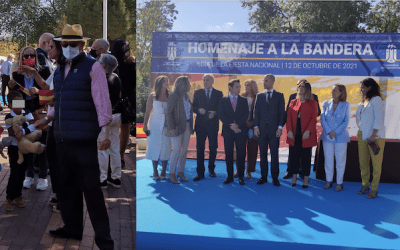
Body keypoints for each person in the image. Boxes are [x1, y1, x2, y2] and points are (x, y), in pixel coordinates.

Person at [34, 24, 114, 249]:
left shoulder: (93, 67)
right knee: (67, 188)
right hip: (61, 139)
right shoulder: (59, 71)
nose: (67, 47)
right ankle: (72, 227)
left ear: (82, 45)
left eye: (72, 44)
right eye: (64, 44)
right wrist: (47, 120)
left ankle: (104, 240)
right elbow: (58, 101)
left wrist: (105, 133)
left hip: (84, 142)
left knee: (92, 192)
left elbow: (102, 102)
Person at [8, 47, 49, 191]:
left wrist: (38, 93)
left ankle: (43, 176)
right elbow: (15, 102)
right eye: (26, 56)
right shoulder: (16, 75)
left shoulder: (43, 71)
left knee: (42, 143)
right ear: (21, 58)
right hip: (25, 114)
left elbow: (49, 93)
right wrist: (11, 89)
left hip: (40, 112)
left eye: (32, 55)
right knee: (27, 144)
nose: (29, 57)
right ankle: (29, 175)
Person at [283, 80, 321, 179]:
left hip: (306, 131)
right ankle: (290, 171)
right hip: (295, 130)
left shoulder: (314, 98)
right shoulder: (292, 97)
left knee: (305, 154)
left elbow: (317, 113)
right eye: (298, 86)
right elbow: (288, 113)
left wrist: (305, 115)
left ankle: (303, 173)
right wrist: (287, 129)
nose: (299, 88)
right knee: (293, 153)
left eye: (302, 86)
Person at [4, 91, 35, 211]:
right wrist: (26, 128)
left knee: (22, 173)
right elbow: (14, 134)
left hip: (26, 148)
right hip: (14, 149)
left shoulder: (27, 112)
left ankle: (18, 196)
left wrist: (23, 130)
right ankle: (9, 198)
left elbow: (34, 126)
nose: (20, 105)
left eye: (21, 101)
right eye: (16, 102)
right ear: (10, 105)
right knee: (14, 173)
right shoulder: (8, 117)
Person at [356, 78, 385, 199]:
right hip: (362, 135)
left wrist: (373, 135)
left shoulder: (376, 99)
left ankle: (374, 189)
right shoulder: (364, 101)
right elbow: (359, 117)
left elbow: (379, 118)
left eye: (363, 87)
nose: (361, 89)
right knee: (363, 163)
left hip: (375, 137)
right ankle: (365, 185)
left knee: (376, 165)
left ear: (369, 87)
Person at [253, 74, 285, 186]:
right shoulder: (259, 96)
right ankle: (263, 176)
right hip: (261, 130)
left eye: (266, 81)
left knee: (274, 154)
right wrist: (255, 126)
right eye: (263, 80)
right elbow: (256, 113)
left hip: (274, 130)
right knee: (262, 154)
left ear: (272, 82)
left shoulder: (279, 96)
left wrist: (280, 127)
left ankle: (275, 177)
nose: (264, 82)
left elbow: (282, 113)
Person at [97, 53, 123, 188]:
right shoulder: (117, 78)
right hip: (116, 115)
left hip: (104, 115)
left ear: (103, 65)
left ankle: (102, 179)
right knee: (114, 147)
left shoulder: (99, 78)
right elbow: (119, 96)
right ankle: (116, 177)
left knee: (102, 148)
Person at [218, 79, 249, 185]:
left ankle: (241, 176)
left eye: (239, 87)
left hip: (241, 131)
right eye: (237, 87)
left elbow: (246, 114)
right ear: (230, 88)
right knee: (229, 154)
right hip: (228, 131)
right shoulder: (223, 100)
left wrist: (237, 125)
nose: (239, 89)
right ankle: (230, 176)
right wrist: (231, 125)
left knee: (241, 154)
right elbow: (221, 114)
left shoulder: (243, 100)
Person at [192, 74, 223, 181]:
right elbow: (193, 107)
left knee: (213, 148)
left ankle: (211, 169)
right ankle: (200, 172)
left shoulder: (219, 94)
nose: (205, 81)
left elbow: (222, 109)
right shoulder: (198, 92)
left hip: (213, 125)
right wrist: (198, 110)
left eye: (208, 80)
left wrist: (215, 113)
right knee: (200, 148)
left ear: (212, 81)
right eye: (204, 80)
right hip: (200, 125)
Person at [320, 84, 350, 191]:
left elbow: (346, 121)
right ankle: (329, 180)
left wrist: (335, 132)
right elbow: (322, 119)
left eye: (335, 90)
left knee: (340, 160)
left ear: (341, 92)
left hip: (341, 136)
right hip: (327, 136)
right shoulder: (325, 103)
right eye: (332, 90)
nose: (332, 92)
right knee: (328, 159)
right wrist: (329, 131)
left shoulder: (346, 105)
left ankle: (339, 182)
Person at [111, 39, 135, 169]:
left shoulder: (110, 63)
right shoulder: (131, 64)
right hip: (128, 100)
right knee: (125, 128)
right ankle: (121, 156)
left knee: (113, 129)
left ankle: (114, 156)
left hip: (114, 99)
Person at [165, 76, 193, 184]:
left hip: (187, 126)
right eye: (188, 84)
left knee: (184, 150)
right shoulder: (173, 96)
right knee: (176, 149)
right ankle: (171, 174)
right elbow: (169, 112)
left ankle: (180, 172)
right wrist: (171, 127)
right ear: (183, 85)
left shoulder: (187, 96)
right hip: (176, 127)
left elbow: (189, 112)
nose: (190, 85)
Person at [143, 75, 172, 180]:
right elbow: (147, 111)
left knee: (165, 146)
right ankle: (155, 171)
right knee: (154, 145)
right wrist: (145, 125)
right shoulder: (152, 95)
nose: (167, 82)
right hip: (154, 122)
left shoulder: (170, 95)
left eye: (167, 81)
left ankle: (163, 170)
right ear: (160, 82)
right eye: (165, 81)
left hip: (167, 123)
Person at [233, 80, 259, 179]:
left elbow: (260, 113)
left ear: (252, 86)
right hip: (242, 126)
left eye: (247, 85)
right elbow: (236, 112)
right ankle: (239, 170)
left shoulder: (258, 97)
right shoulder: (241, 97)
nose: (245, 87)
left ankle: (249, 171)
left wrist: (253, 123)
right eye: (245, 85)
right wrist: (244, 122)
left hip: (254, 127)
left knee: (252, 150)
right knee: (240, 149)